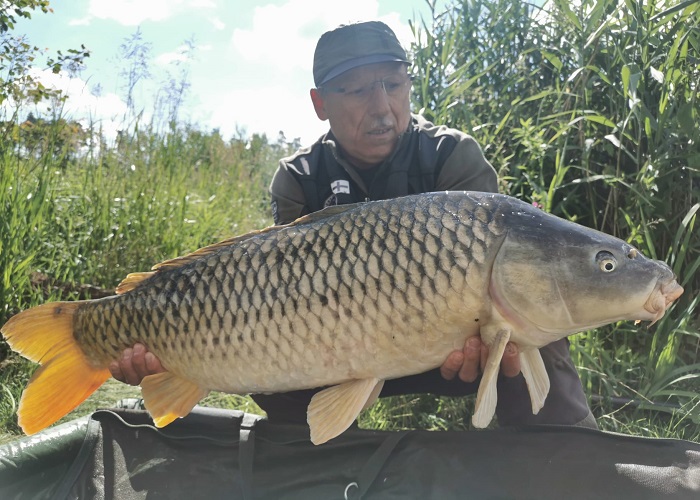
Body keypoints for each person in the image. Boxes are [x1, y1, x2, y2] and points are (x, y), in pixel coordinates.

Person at [111, 21, 596, 429]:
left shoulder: (452, 154)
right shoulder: (299, 177)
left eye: (394, 85)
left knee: (535, 335)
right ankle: (312, 470)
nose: (382, 106)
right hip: (336, 346)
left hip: (451, 345)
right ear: (320, 103)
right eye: (359, 90)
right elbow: (272, 292)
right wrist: (163, 356)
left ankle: (566, 460)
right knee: (272, 370)